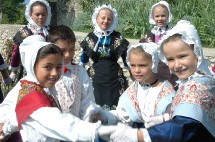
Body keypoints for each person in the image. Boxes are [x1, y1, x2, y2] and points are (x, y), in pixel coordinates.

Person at [109, 20, 215, 142]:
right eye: (170, 59)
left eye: (182, 56)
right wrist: (166, 118)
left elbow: (183, 126)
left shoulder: (197, 86)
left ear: (196, 52)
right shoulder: (195, 80)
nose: (177, 64)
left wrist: (138, 136)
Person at [0, 35, 116, 142]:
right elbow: (64, 125)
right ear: (32, 65)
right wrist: (112, 131)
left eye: (59, 67)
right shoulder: (33, 96)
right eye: (48, 67)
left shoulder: (36, 87)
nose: (55, 73)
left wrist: (6, 127)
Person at [91, 43, 176, 129]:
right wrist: (104, 116)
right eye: (132, 65)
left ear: (154, 64)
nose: (136, 70)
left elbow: (173, 121)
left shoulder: (166, 93)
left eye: (142, 65)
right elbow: (122, 116)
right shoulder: (132, 91)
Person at [47, 25, 107, 122]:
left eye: (71, 49)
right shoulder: (47, 74)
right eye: (63, 50)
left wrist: (91, 114)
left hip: (76, 127)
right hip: (54, 127)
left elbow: (87, 99)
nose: (68, 55)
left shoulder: (80, 71)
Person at [79, 4, 129, 110]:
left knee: (115, 105)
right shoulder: (90, 37)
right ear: (96, 18)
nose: (106, 21)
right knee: (95, 103)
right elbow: (84, 59)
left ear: (113, 20)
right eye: (103, 18)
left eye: (109, 19)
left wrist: (132, 70)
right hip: (95, 76)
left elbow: (126, 59)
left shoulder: (117, 37)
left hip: (114, 76)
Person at [9, 0, 51, 81]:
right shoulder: (24, 33)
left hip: (48, 71)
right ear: (31, 15)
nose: (41, 17)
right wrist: (14, 71)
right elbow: (16, 52)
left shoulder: (51, 32)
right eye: (37, 14)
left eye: (43, 14)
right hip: (28, 72)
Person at [139, 0, 178, 87]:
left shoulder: (173, 32)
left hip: (170, 70)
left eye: (163, 16)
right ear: (153, 17)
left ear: (168, 16)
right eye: (157, 16)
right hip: (155, 71)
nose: (160, 18)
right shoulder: (150, 34)